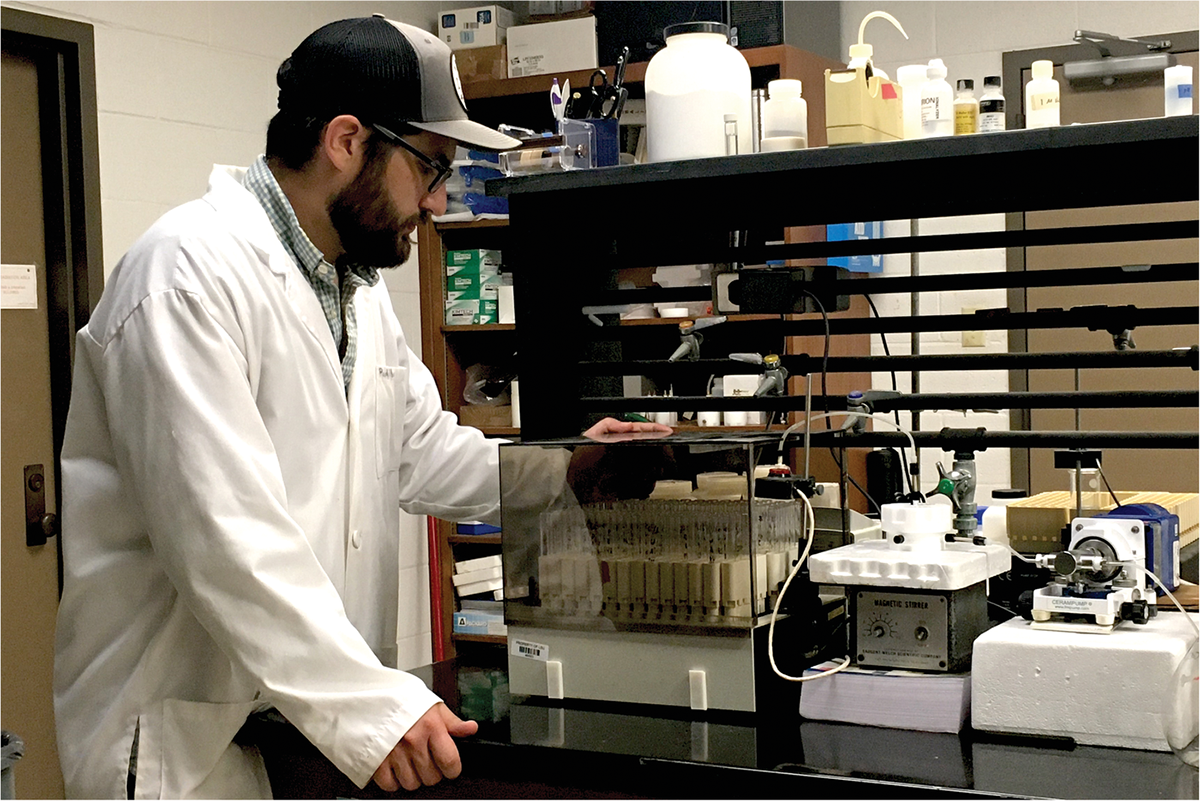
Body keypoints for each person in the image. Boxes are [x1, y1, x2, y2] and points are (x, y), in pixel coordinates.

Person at [52, 16, 667, 800]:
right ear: (346, 140)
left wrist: (566, 466)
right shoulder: (183, 281)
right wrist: (375, 707)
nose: (441, 200)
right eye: (430, 167)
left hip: (299, 733)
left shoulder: (356, 293)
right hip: (184, 746)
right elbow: (227, 537)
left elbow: (422, 450)